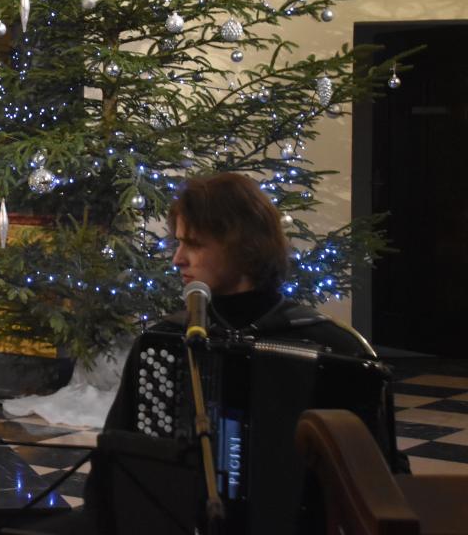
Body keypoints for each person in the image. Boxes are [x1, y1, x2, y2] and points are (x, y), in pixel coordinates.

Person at [84, 172, 401, 534]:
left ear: (244, 246)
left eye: (194, 244)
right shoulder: (163, 342)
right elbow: (113, 463)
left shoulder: (340, 352)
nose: (177, 259)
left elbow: (382, 484)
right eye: (178, 243)